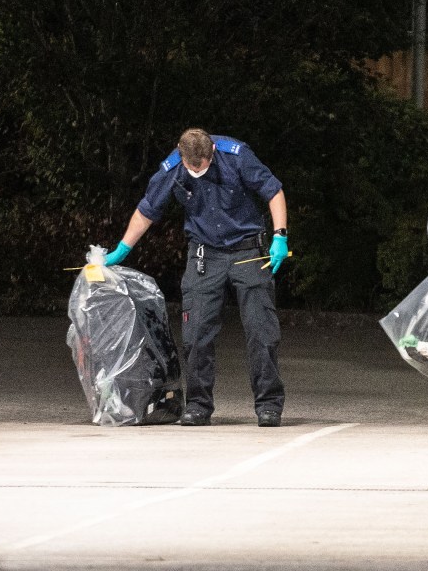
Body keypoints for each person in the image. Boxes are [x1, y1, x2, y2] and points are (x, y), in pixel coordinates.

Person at [104, 128, 289, 427]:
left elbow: (273, 191)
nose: (196, 171)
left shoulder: (236, 156)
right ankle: (199, 405)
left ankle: (268, 405)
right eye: (192, 166)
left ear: (211, 152)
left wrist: (280, 235)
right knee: (196, 334)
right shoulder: (174, 166)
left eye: (201, 165)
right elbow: (147, 210)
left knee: (261, 331)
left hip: (248, 252)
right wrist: (123, 248)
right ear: (182, 154)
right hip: (205, 256)